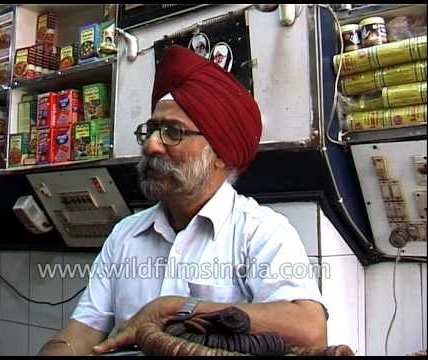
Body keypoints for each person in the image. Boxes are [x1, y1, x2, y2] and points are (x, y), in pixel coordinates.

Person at [38, 45, 328, 356]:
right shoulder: (126, 234)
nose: (151, 145)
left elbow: (310, 331)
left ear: (219, 154)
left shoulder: (259, 232)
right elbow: (83, 331)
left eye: (172, 132)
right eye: (150, 130)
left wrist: (175, 308)